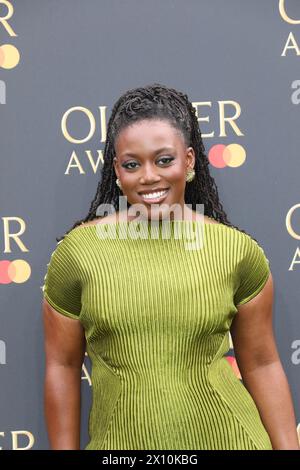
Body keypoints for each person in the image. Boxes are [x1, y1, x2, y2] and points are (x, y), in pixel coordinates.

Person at [42, 83, 299, 450]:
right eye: (133, 164)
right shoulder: (79, 254)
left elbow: (261, 364)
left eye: (164, 160)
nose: (149, 176)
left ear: (189, 161)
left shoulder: (236, 251)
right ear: (117, 169)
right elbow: (62, 368)